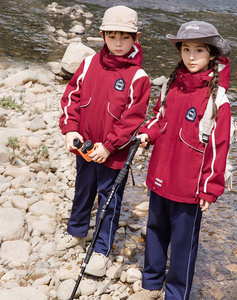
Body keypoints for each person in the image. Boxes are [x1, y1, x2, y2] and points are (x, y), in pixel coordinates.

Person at [129, 21, 232, 300]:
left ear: (212, 55)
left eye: (199, 50)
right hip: (160, 176)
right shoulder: (172, 85)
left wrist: (210, 189)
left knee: (184, 243)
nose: (191, 56)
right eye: (186, 49)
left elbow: (218, 148)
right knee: (155, 229)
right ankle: (151, 282)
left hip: (189, 187)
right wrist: (147, 134)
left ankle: (177, 293)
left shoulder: (217, 100)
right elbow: (159, 117)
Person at [57, 5, 151, 277]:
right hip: (84, 147)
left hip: (114, 154)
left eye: (125, 37)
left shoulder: (138, 77)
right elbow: (71, 97)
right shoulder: (88, 64)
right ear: (102, 35)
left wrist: (109, 146)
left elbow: (132, 119)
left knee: (109, 201)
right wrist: (70, 129)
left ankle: (101, 248)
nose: (118, 43)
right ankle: (76, 232)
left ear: (136, 38)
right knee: (82, 191)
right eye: (112, 36)